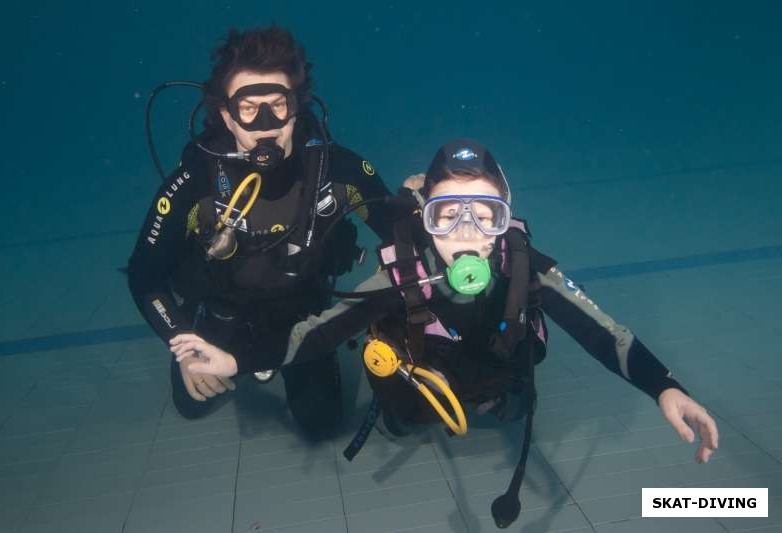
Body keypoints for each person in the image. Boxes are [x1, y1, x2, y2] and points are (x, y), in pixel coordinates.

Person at [174, 139, 719, 527]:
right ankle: (409, 404)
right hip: (421, 368)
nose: (466, 234)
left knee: (513, 401)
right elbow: (317, 333)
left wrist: (666, 387)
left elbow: (605, 334)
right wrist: (237, 361)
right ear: (424, 218)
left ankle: (492, 399)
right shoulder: (400, 271)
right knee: (401, 410)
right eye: (446, 215)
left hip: (492, 370)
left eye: (486, 215)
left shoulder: (524, 268)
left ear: (506, 221)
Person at [127, 25, 395, 439]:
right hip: (224, 312)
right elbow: (144, 273)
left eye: (278, 105)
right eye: (249, 109)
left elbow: (400, 230)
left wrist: (429, 206)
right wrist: (181, 340)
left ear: (297, 107)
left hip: (304, 316)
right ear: (225, 115)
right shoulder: (197, 181)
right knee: (191, 405)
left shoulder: (336, 170)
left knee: (321, 426)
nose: (266, 124)